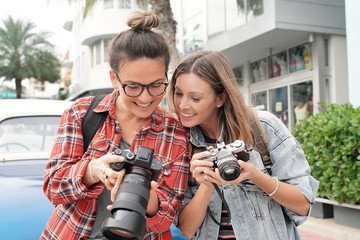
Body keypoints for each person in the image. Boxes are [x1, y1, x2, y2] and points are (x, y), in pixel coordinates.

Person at [41, 10, 191, 240]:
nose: (145, 98)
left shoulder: (176, 134)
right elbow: (53, 187)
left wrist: (143, 195)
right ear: (114, 79)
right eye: (133, 86)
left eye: (156, 85)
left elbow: (167, 217)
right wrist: (93, 170)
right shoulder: (81, 113)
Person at [167, 50, 319, 240]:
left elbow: (303, 205)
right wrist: (206, 186)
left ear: (220, 98)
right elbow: (186, 230)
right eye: (178, 93)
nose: (182, 105)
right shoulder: (179, 141)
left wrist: (255, 175)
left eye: (195, 98)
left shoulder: (262, 127)